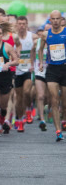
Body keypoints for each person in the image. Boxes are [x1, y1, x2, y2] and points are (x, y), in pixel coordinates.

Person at [38, 10, 66, 141]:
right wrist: (41, 63)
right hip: (52, 70)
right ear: (50, 20)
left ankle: (64, 119)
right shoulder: (45, 34)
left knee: (64, 102)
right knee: (54, 100)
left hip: (64, 68)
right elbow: (40, 49)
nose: (55, 21)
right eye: (52, 19)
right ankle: (58, 130)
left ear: (61, 20)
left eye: (57, 19)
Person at [0, 25, 19, 137]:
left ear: (2, 35)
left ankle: (3, 115)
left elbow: (16, 61)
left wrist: (8, 63)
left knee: (3, 105)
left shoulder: (7, 46)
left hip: (5, 78)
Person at [13, 16, 38, 132]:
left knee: (27, 91)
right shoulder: (13, 38)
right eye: (20, 24)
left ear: (27, 24)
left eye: (24, 24)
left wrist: (35, 64)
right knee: (18, 98)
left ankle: (28, 109)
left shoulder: (32, 37)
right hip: (17, 70)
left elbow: (39, 49)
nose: (22, 26)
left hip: (28, 69)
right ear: (17, 25)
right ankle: (20, 119)